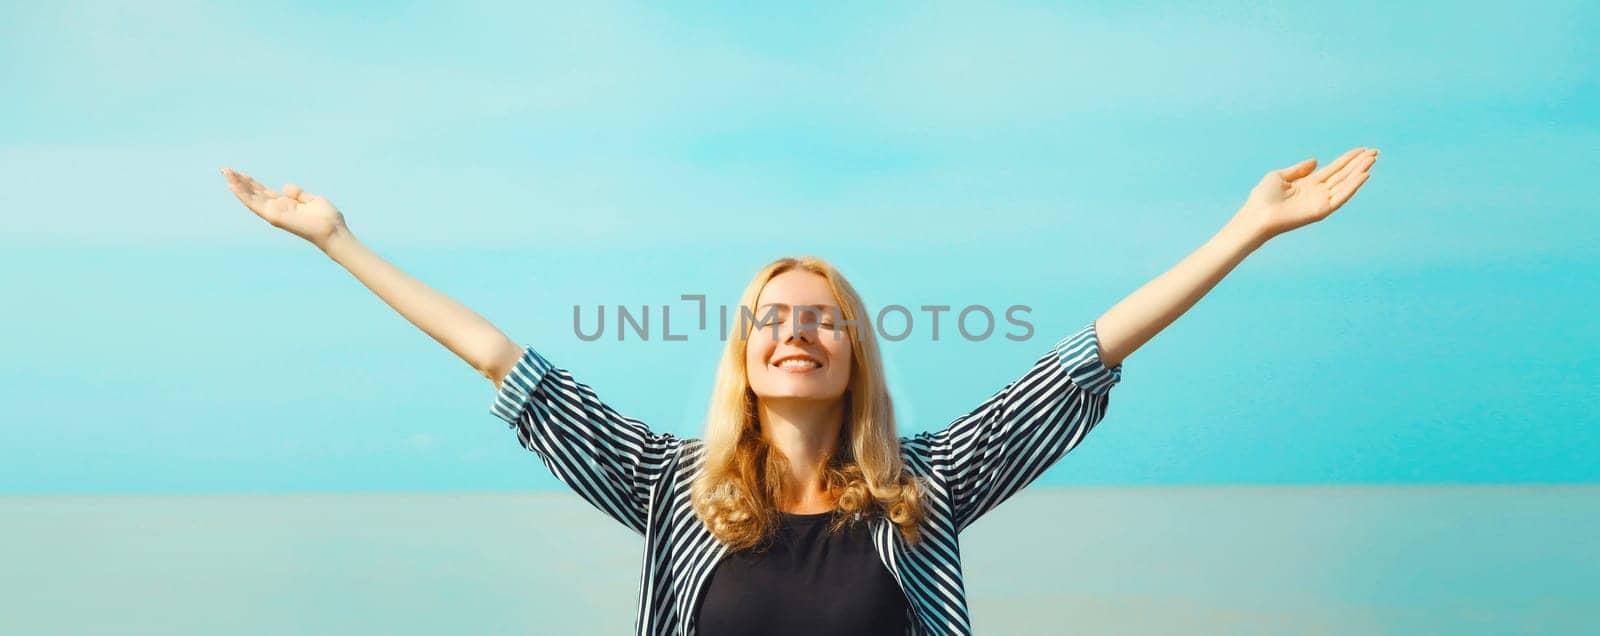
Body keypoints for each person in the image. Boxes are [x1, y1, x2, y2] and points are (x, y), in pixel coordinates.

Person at [219, 146, 1377, 635]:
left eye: (821, 316)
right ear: (744, 355)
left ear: (853, 352)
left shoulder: (924, 485)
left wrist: (1247, 227)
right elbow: (501, 360)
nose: (796, 332)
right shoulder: (668, 486)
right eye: (772, 316)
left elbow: (1081, 359)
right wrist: (336, 239)